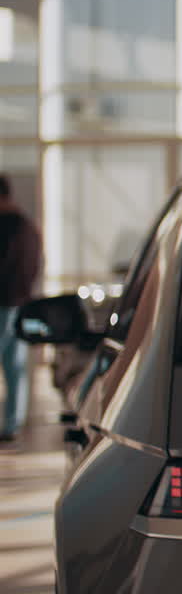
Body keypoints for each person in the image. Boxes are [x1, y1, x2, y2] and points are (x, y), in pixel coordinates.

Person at [0, 174, 42, 444]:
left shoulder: (7, 227)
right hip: (21, 303)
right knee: (15, 368)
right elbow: (36, 264)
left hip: (4, 303)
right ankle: (13, 424)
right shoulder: (28, 226)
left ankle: (12, 424)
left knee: (14, 366)